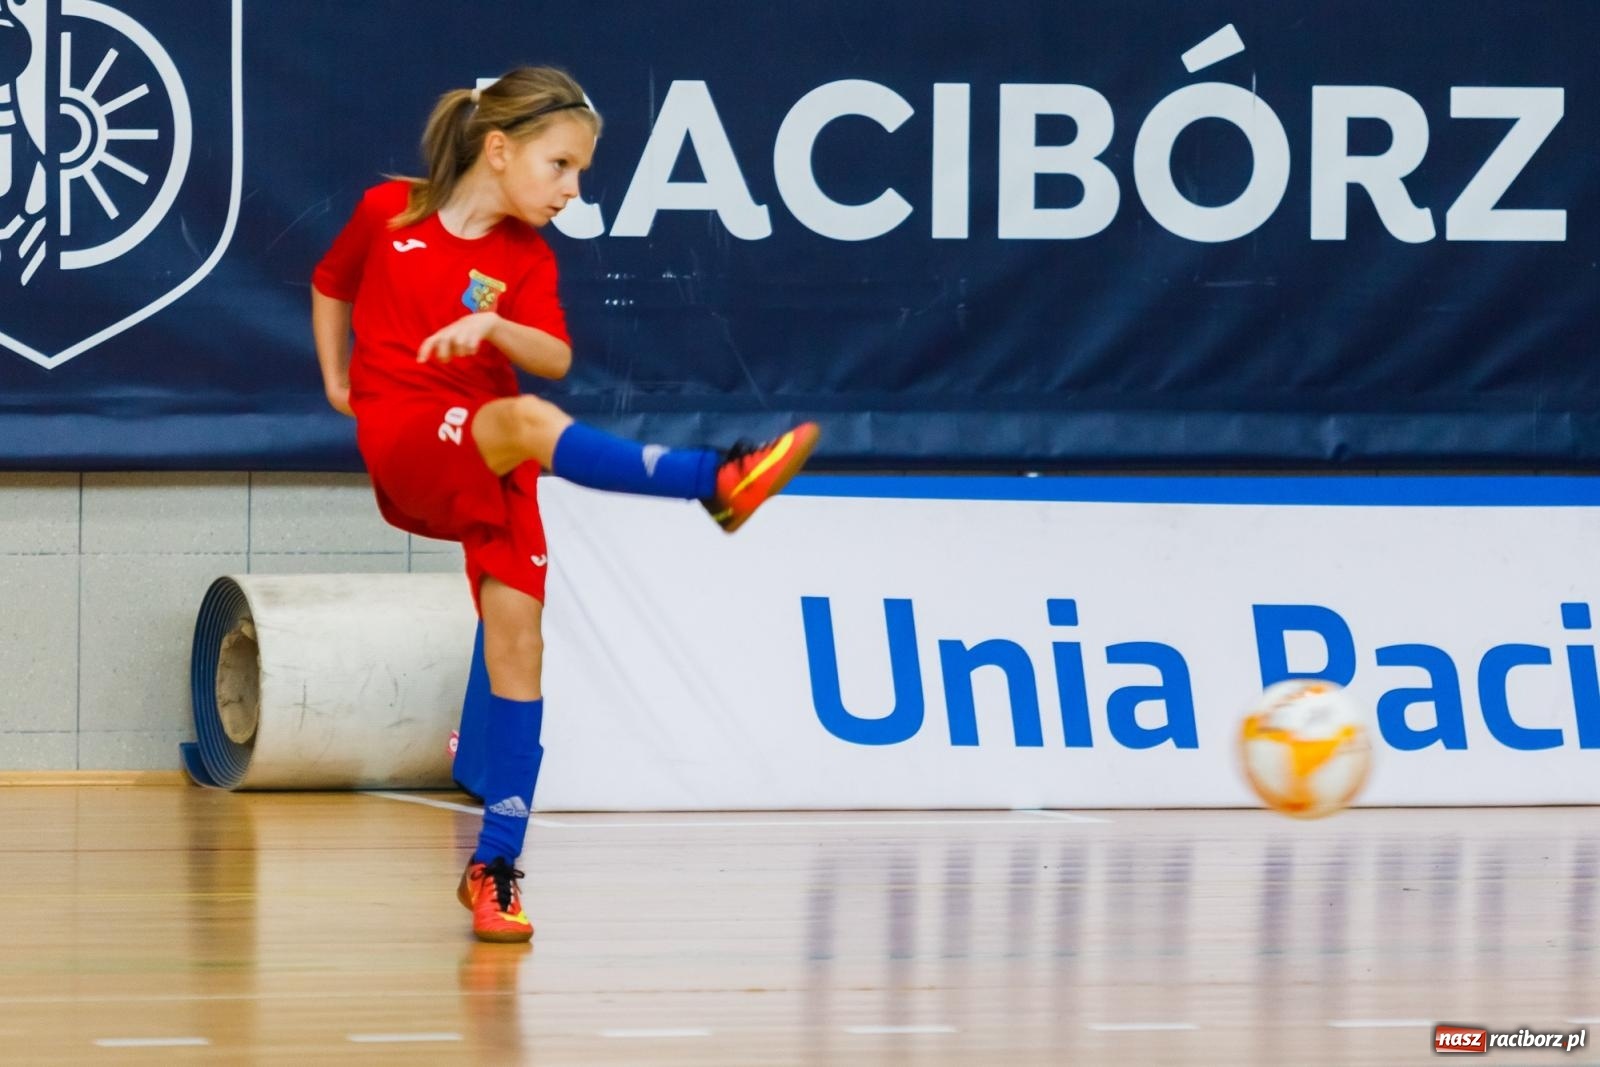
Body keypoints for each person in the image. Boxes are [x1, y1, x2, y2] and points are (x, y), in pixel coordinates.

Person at [310, 66, 819, 943]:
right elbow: (331, 281)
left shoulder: (526, 257)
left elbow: (552, 354)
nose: (573, 189)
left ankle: (495, 869)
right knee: (528, 420)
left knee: (520, 645)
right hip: (407, 429)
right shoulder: (388, 212)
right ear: (498, 150)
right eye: (561, 165)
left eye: (580, 171)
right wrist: (335, 381)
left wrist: (493, 325)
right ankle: (713, 481)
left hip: (494, 451)